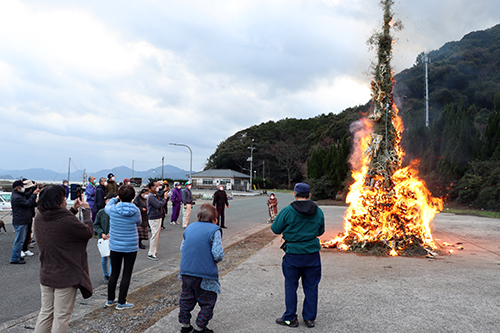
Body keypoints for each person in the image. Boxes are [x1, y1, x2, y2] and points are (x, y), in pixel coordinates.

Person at [33, 185, 93, 332]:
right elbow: (88, 232)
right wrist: (86, 211)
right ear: (57, 201)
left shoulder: (40, 216)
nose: (65, 199)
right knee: (61, 316)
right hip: (66, 275)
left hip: (46, 273)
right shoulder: (65, 220)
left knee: (46, 313)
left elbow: (61, 224)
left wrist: (72, 210)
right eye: (63, 197)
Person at [271, 183, 325, 328]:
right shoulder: (318, 211)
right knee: (311, 286)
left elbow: (275, 229)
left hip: (293, 254)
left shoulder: (288, 211)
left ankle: (290, 318)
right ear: (309, 194)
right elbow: (320, 231)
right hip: (312, 254)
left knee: (291, 286)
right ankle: (309, 319)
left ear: (294, 194)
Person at [178, 204, 224, 333]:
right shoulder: (215, 230)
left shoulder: (189, 228)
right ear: (214, 217)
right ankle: (199, 327)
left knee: (186, 298)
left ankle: (185, 325)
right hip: (205, 273)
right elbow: (217, 254)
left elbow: (182, 248)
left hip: (186, 270)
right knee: (208, 301)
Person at [105, 185, 141, 310]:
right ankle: (121, 301)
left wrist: (116, 198)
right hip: (130, 246)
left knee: (114, 273)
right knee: (126, 274)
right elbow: (139, 222)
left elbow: (107, 206)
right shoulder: (136, 210)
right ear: (132, 197)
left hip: (115, 245)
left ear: (120, 196)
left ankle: (110, 299)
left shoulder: (113, 209)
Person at [10, 180, 40, 264]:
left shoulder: (19, 194)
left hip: (22, 220)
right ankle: (14, 258)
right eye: (22, 186)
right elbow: (28, 203)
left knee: (20, 241)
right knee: (18, 241)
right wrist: (34, 194)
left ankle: (17, 256)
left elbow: (27, 195)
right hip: (20, 221)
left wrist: (34, 188)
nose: (23, 188)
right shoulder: (17, 197)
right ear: (17, 188)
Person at [94, 193, 116, 283]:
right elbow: (96, 225)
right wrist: (102, 233)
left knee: (112, 258)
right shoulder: (101, 212)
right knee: (104, 258)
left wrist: (111, 233)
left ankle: (112, 276)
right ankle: (106, 275)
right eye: (108, 200)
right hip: (102, 239)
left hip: (113, 238)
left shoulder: (116, 213)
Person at [146, 181, 168, 260]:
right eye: (156, 185)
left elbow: (160, 201)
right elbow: (159, 204)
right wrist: (165, 198)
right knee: (154, 236)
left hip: (157, 216)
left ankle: (154, 251)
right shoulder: (151, 196)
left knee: (157, 235)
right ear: (152, 187)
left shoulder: (154, 194)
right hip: (154, 217)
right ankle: (151, 253)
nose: (158, 186)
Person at [21, 179, 37, 258]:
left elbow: (33, 202)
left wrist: (34, 190)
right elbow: (28, 203)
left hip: (29, 216)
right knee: (21, 235)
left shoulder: (26, 194)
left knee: (27, 234)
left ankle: (25, 249)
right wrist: (34, 194)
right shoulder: (20, 195)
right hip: (22, 217)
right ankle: (20, 250)